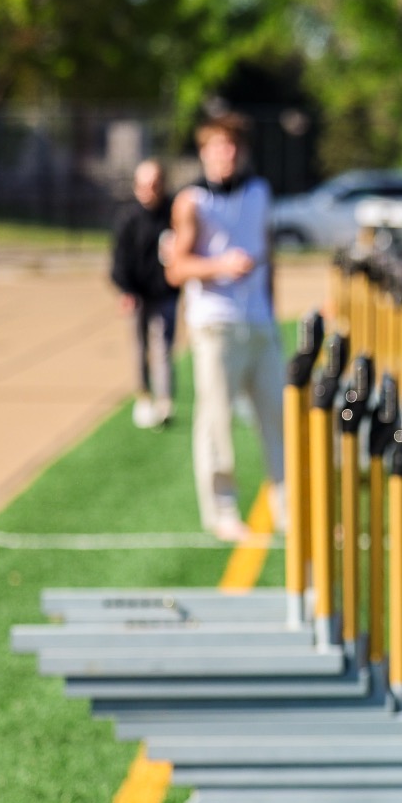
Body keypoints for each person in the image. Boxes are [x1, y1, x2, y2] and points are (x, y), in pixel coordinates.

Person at [165, 113, 286, 542]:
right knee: (216, 420)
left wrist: (272, 310)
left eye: (232, 146)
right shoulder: (192, 201)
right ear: (204, 152)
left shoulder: (259, 192)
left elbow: (269, 254)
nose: (226, 154)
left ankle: (287, 508)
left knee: (278, 416)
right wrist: (220, 266)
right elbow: (176, 268)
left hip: (259, 322)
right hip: (215, 324)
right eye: (218, 146)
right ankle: (222, 511)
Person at [110, 159, 180, 429]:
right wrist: (126, 290)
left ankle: (165, 400)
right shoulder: (128, 219)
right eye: (144, 185)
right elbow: (119, 260)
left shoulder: (172, 214)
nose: (150, 190)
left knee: (163, 348)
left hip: (164, 294)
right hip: (137, 294)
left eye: (155, 184)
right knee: (140, 348)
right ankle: (143, 396)